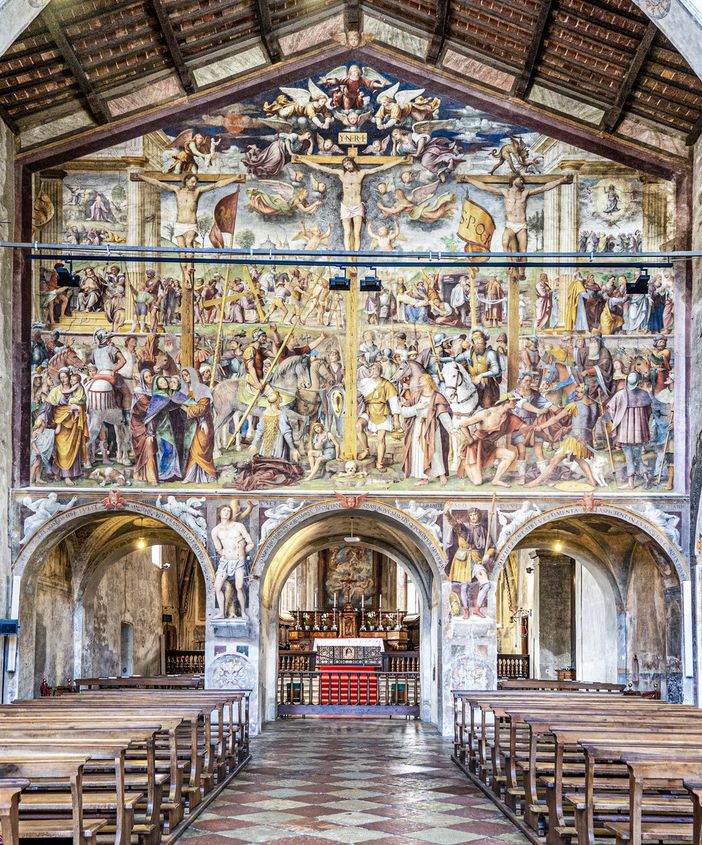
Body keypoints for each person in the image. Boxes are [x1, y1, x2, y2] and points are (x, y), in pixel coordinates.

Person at [292, 153, 411, 251]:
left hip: (357, 206)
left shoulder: (361, 173)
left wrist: (400, 160)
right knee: (347, 232)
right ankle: (349, 257)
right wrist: (302, 159)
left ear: (353, 163)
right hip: (345, 206)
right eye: (345, 164)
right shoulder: (341, 174)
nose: (347, 166)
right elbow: (321, 168)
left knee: (356, 233)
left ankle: (356, 256)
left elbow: (381, 168)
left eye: (349, 163)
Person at [463, 173, 572, 279]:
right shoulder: (505, 192)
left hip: (521, 225)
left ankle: (522, 272)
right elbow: (485, 187)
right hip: (510, 225)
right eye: (520, 179)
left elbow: (544, 188)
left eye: (522, 180)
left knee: (523, 250)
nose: (522, 181)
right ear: (513, 180)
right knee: (504, 243)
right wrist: (468, 179)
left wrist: (561, 180)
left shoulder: (525, 193)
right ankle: (511, 265)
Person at [399, 374, 453, 485]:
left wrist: (451, 428)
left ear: (429, 381)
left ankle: (441, 475)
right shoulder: (416, 395)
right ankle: (424, 478)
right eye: (419, 380)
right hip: (418, 427)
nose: (420, 381)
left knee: (435, 451)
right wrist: (415, 408)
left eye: (422, 379)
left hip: (432, 428)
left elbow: (443, 414)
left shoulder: (437, 397)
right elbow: (403, 411)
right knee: (419, 452)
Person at [444, 506, 494, 619]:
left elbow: (492, 547)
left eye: (475, 515)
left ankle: (477, 609)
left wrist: (487, 555)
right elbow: (454, 523)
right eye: (471, 515)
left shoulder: (483, 529)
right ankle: (466, 610)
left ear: (478, 516)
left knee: (486, 584)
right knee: (464, 587)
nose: (473, 517)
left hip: (476, 558)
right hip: (462, 559)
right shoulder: (463, 527)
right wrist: (447, 514)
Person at [606, 371, 652, 489]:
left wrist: (604, 418)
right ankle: (646, 477)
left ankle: (631, 483)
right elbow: (648, 413)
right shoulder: (645, 394)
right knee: (637, 456)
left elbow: (610, 411)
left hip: (625, 432)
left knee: (629, 456)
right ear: (638, 381)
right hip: (639, 433)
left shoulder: (621, 394)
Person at [44, 367, 89, 485]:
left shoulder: (77, 389)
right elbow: (49, 407)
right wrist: (48, 421)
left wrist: (78, 408)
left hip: (74, 422)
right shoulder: (56, 390)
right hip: (60, 420)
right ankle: (61, 473)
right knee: (62, 449)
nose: (64, 379)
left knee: (73, 448)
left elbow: (83, 402)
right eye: (61, 377)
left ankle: (70, 474)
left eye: (65, 377)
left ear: (70, 376)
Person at [211, 502, 254, 620]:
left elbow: (251, 544)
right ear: (219, 513)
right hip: (225, 562)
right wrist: (224, 554)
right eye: (224, 511)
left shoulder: (238, 526)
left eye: (228, 511)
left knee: (239, 586)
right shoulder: (215, 530)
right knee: (217, 587)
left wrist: (242, 552)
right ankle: (221, 613)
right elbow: (219, 549)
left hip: (238, 561)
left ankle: (244, 613)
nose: (226, 512)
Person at [357, 361, 401, 472]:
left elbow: (394, 401)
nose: (373, 371)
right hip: (369, 410)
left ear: (380, 371)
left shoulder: (386, 384)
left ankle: (379, 463)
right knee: (358, 426)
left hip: (383, 411)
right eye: (371, 369)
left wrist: (396, 419)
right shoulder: (364, 382)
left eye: (375, 369)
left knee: (380, 438)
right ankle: (366, 450)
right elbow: (353, 387)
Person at [178, 367, 217, 483]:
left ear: (193, 375)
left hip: (203, 423)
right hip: (189, 424)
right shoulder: (182, 390)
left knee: (202, 449)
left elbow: (203, 408)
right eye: (183, 375)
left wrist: (185, 408)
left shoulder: (203, 389)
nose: (185, 378)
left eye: (187, 375)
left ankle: (208, 475)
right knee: (191, 449)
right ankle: (191, 475)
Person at [464, 329, 501, 408]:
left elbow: (496, 370)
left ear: (484, 340)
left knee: (486, 405)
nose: (477, 342)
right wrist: (440, 359)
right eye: (474, 339)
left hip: (487, 383)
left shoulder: (491, 353)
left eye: (479, 339)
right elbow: (455, 359)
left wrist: (481, 376)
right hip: (472, 382)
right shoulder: (469, 353)